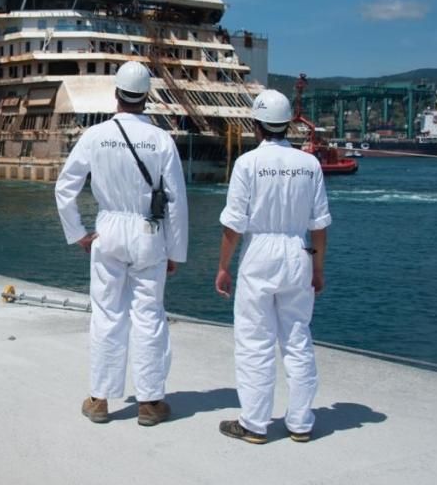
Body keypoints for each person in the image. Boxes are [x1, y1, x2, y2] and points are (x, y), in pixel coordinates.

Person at [55, 61, 188, 427]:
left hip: (109, 228)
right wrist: (175, 252)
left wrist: (79, 232)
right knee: (149, 317)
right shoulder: (162, 139)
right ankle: (149, 402)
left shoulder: (95, 135)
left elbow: (65, 188)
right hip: (149, 233)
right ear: (147, 97)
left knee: (107, 314)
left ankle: (99, 399)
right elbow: (176, 200)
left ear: (116, 94)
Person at [214, 89, 332, 444]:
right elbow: (320, 226)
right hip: (299, 250)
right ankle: (300, 422)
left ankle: (254, 423)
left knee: (255, 340)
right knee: (297, 337)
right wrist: (318, 269)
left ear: (257, 125)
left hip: (260, 253)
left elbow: (233, 226)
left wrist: (223, 266)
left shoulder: (247, 163)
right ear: (286, 126)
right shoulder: (309, 164)